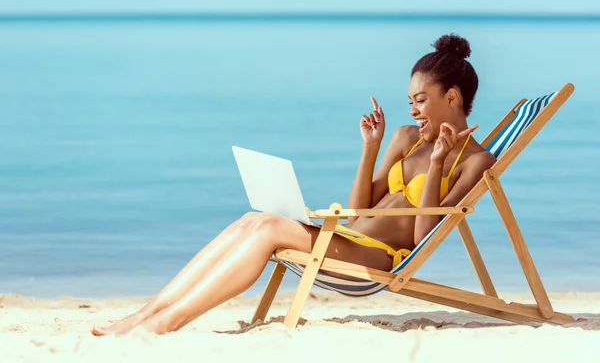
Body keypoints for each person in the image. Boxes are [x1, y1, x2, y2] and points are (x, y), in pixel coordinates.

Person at [91, 33, 496, 336]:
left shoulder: (476, 161)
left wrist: (441, 159)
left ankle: (166, 323)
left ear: (453, 97)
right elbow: (361, 207)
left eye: (421, 100)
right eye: (411, 100)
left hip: (376, 260)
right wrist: (369, 149)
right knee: (252, 220)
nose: (412, 109)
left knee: (267, 226)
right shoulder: (406, 138)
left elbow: (427, 235)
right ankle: (145, 315)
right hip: (348, 239)